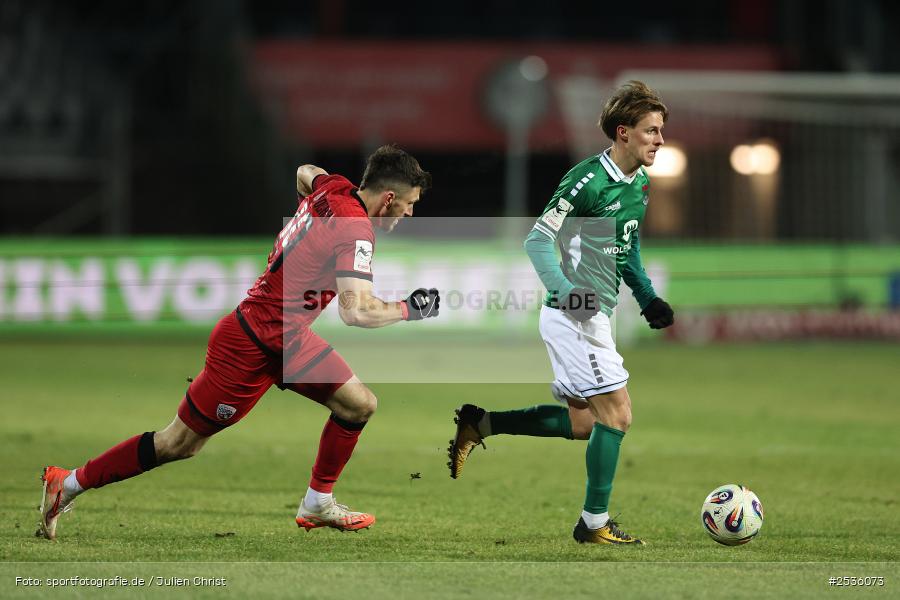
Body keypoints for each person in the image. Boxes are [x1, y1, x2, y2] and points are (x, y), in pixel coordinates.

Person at [39, 145, 439, 540]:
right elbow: (358, 312)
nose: (409, 213)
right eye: (409, 204)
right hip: (251, 342)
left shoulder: (333, 188)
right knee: (178, 444)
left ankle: (317, 501)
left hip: (290, 338)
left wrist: (308, 231)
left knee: (359, 404)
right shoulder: (355, 231)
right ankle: (68, 483)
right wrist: (410, 309)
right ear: (389, 198)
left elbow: (305, 171)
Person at [448, 81, 674, 545]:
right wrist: (568, 293)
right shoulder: (585, 181)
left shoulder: (639, 185)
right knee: (617, 415)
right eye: (651, 130)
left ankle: (481, 423)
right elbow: (537, 240)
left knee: (584, 423)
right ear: (624, 132)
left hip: (595, 316)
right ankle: (593, 524)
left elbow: (627, 246)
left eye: (660, 131)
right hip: (575, 317)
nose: (660, 139)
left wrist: (647, 297)